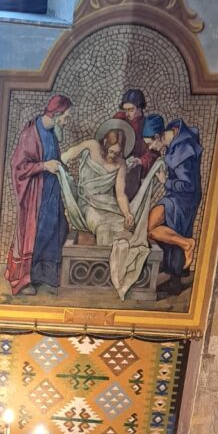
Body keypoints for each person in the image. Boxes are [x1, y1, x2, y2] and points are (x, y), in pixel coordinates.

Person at [56, 119, 166, 300]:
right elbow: (68, 154)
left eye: (118, 152)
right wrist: (61, 165)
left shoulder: (121, 164)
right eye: (111, 151)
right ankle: (101, 277)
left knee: (125, 229)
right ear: (105, 143)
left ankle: (120, 273)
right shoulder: (92, 146)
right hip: (88, 204)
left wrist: (127, 213)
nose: (113, 155)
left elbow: (120, 194)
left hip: (109, 205)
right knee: (103, 227)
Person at [5, 93, 73, 296]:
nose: (66, 122)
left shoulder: (52, 132)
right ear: (57, 114)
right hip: (36, 197)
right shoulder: (30, 134)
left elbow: (52, 158)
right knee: (34, 236)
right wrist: (43, 166)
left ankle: (45, 276)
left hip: (51, 195)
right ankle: (24, 280)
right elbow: (18, 166)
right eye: (66, 117)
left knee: (54, 231)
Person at [142, 114, 203, 292]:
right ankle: (183, 246)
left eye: (150, 144)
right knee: (149, 227)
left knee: (154, 229)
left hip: (184, 199)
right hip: (174, 196)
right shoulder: (174, 135)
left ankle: (186, 245)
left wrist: (165, 181)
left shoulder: (182, 149)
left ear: (157, 136)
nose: (150, 148)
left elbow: (188, 185)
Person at [113, 89, 158, 199]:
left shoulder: (147, 125)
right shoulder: (120, 118)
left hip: (134, 169)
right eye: (125, 110)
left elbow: (153, 153)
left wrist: (140, 161)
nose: (127, 114)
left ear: (140, 108)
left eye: (131, 110)